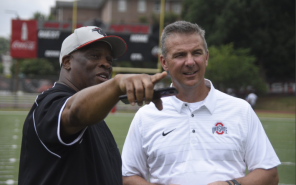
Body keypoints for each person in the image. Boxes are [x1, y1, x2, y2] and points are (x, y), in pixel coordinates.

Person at [121, 21, 280, 185]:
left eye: (196, 53)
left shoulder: (241, 110)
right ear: (164, 62)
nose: (190, 62)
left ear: (206, 57)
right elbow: (127, 176)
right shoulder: (146, 116)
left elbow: (270, 175)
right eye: (180, 55)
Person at [18, 26, 167, 185]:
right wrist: (117, 84)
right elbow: (73, 112)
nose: (105, 64)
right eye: (94, 56)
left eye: (109, 60)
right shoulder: (49, 103)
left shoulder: (96, 118)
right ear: (67, 62)